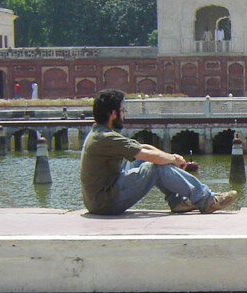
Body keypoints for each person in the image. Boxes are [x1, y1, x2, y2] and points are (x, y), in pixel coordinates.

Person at [80, 89, 236, 215]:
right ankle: (206, 200)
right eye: (122, 110)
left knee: (144, 159)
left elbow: (143, 147)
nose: (124, 114)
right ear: (113, 114)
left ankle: (178, 202)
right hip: (105, 203)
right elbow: (147, 155)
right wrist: (171, 160)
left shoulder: (101, 133)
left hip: (99, 199)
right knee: (155, 167)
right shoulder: (105, 138)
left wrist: (171, 158)